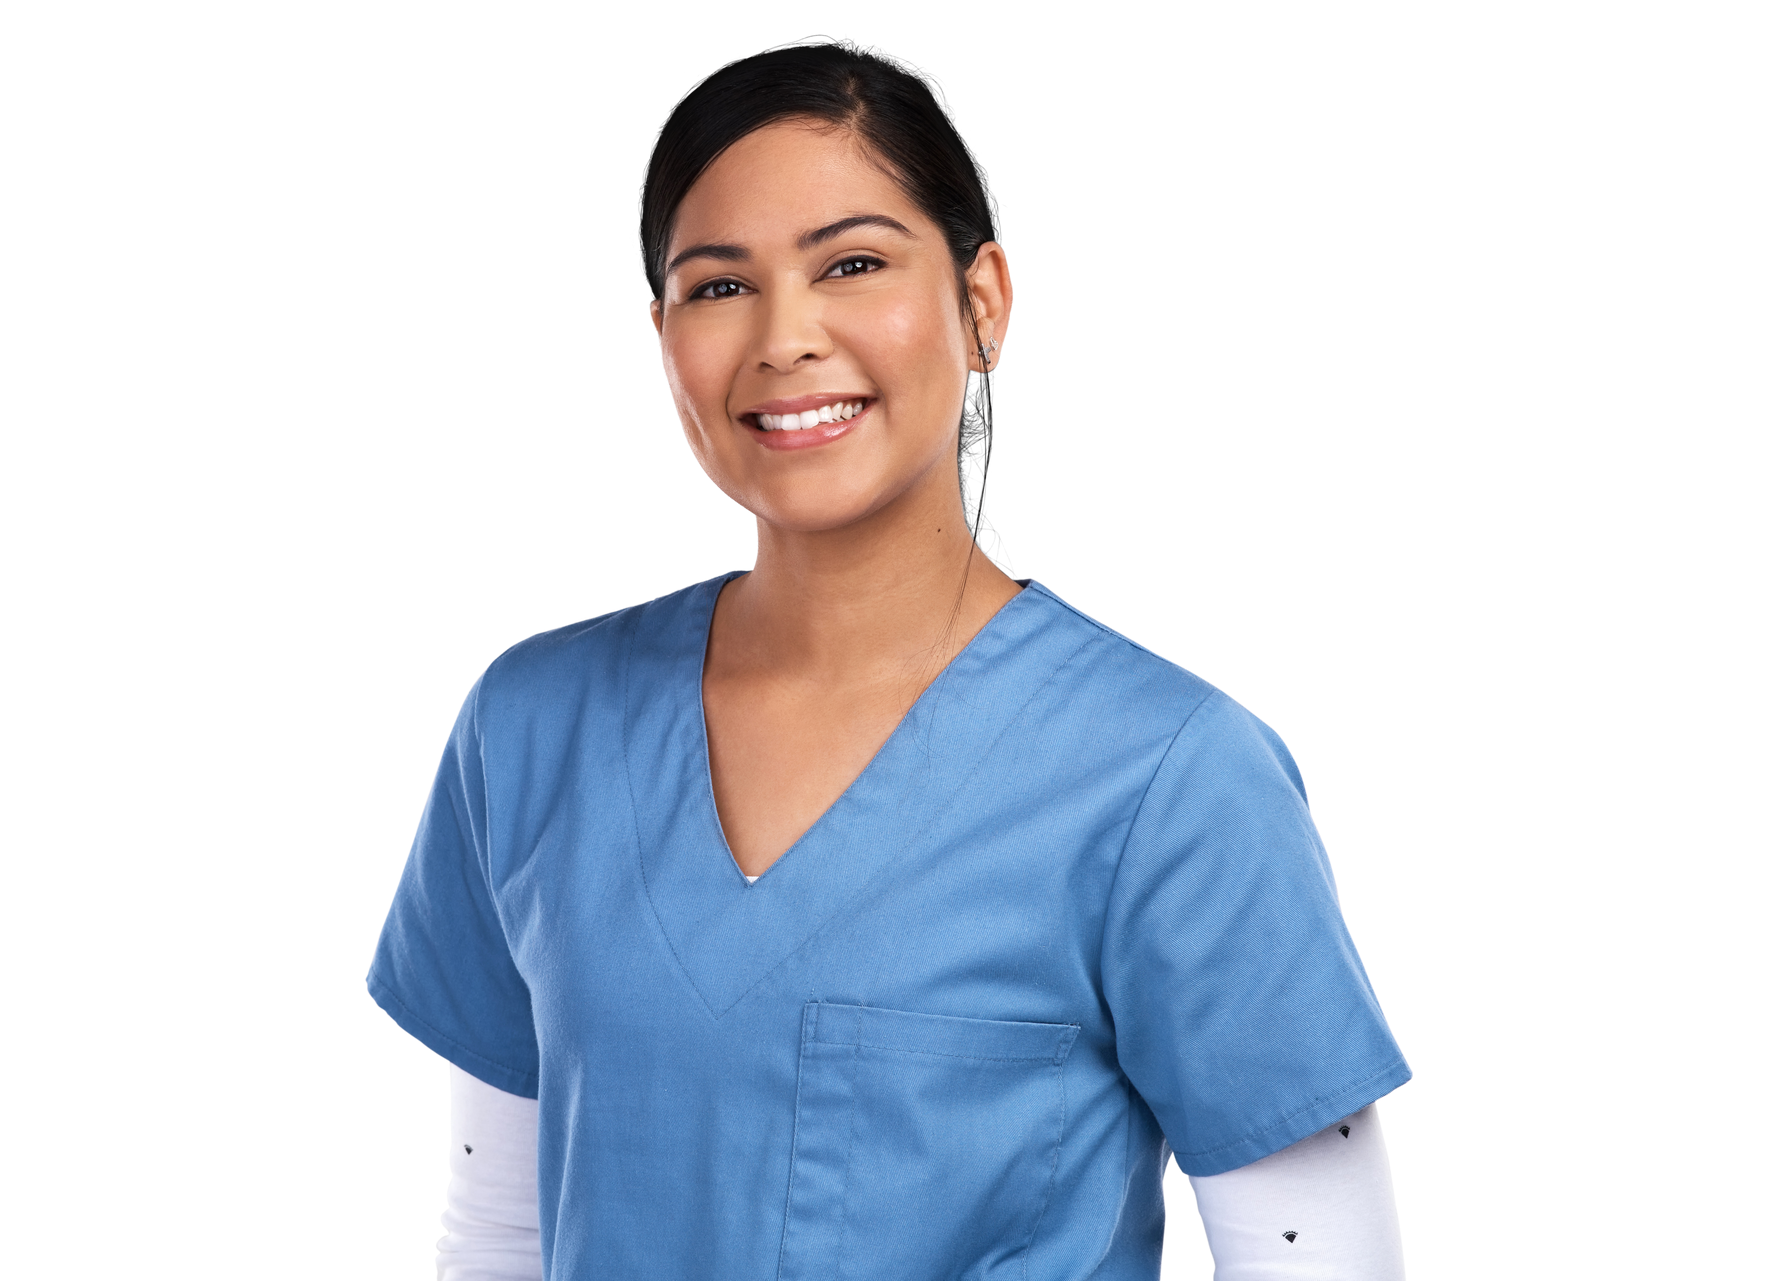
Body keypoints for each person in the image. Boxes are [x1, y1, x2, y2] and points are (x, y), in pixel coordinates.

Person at [367, 37, 1412, 1279]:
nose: (784, 337)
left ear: (982, 305)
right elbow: (499, 1237)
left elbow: (1317, 1264)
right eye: (718, 286)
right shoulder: (526, 728)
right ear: (662, 341)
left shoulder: (1172, 777)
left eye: (851, 263)